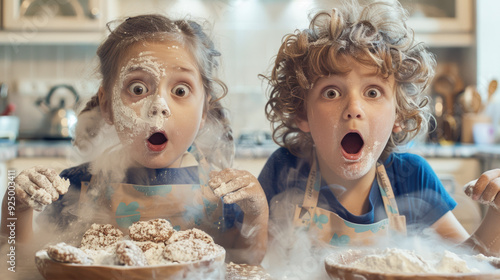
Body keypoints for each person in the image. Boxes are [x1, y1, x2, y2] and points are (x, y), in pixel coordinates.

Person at [1, 14, 268, 265]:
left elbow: (247, 262)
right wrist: (16, 206)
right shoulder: (76, 188)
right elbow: (17, 260)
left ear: (204, 112)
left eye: (180, 90)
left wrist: (257, 212)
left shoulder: (221, 196)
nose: (158, 106)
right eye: (138, 88)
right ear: (107, 106)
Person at [259, 0, 500, 256]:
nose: (354, 108)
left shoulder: (411, 178)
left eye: (372, 92)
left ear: (398, 114)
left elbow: (469, 263)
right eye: (331, 92)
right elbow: (249, 258)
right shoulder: (284, 170)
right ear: (302, 114)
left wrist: (497, 214)